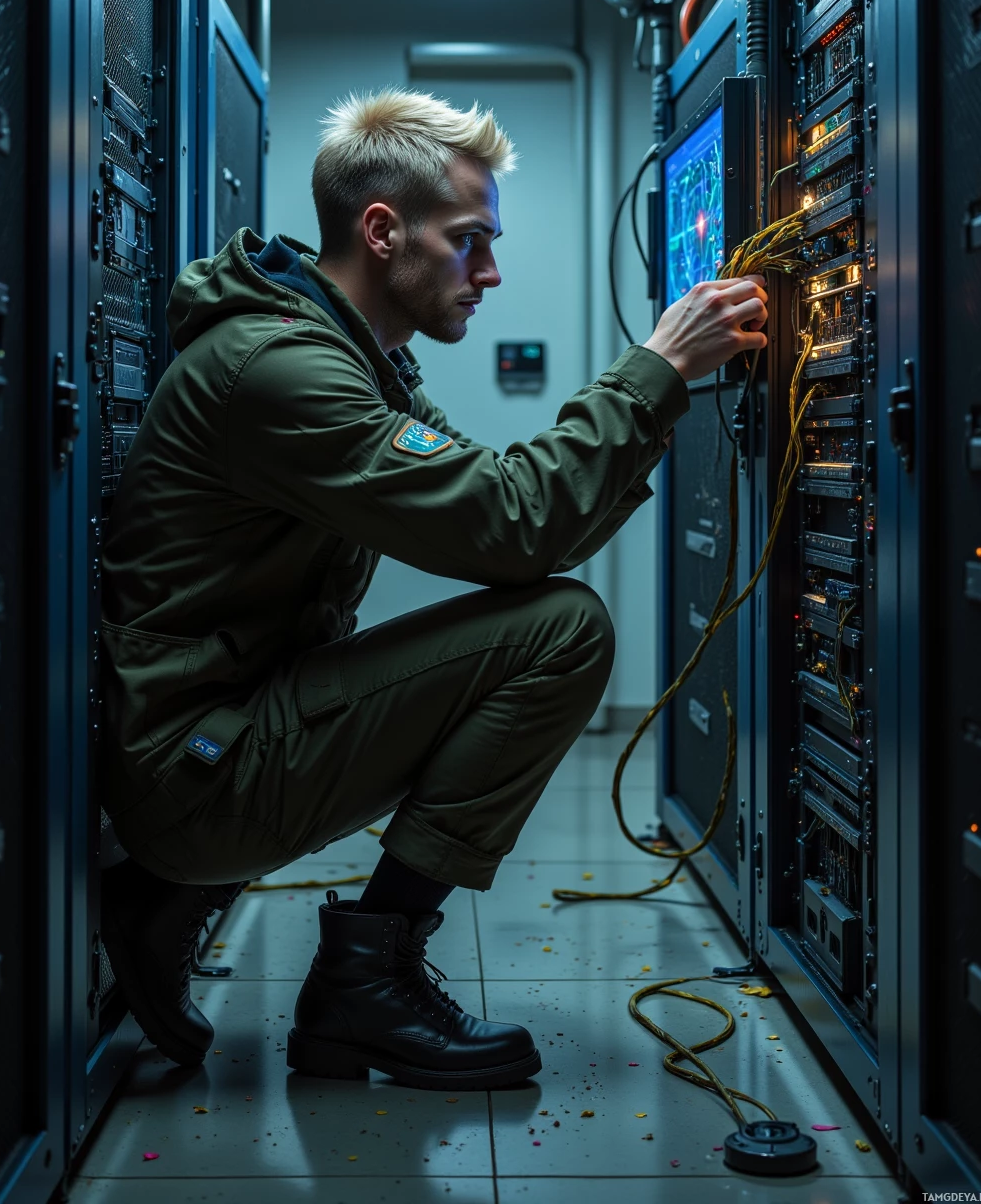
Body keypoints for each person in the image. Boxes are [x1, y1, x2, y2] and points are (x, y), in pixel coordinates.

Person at [100, 88, 768, 1091]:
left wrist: (639, 400)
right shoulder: (283, 371)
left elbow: (501, 506)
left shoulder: (351, 356)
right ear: (381, 231)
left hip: (218, 729)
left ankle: (173, 898)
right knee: (561, 633)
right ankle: (363, 984)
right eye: (469, 242)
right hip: (195, 766)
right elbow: (515, 524)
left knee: (543, 616)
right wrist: (654, 372)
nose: (489, 273)